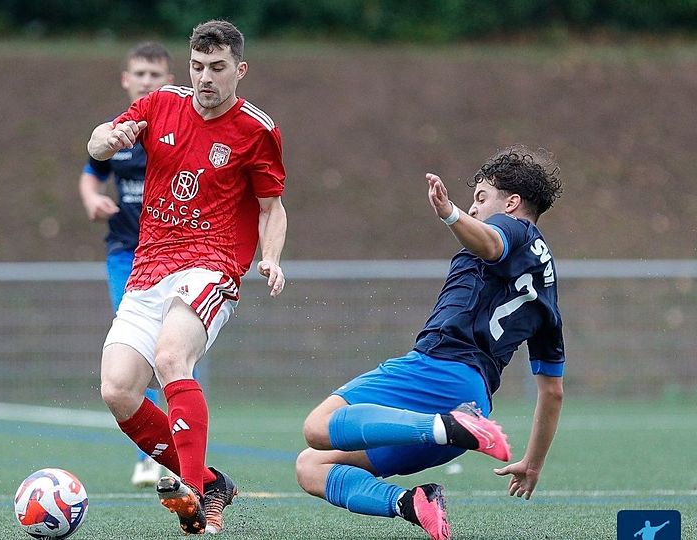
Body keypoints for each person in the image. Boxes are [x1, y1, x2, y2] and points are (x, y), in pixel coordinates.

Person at [295, 146, 565, 540]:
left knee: (317, 427)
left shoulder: (514, 229)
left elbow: (491, 243)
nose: (474, 209)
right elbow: (553, 391)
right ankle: (413, 502)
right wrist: (533, 465)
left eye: (481, 198)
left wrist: (450, 214)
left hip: (438, 370)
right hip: (472, 401)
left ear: (512, 203)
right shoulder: (547, 292)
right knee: (310, 466)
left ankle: (446, 426)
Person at [87, 19, 287, 535]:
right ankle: (210, 481)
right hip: (149, 264)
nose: (205, 78)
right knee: (117, 388)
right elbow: (97, 145)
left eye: (217, 68)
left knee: (172, 356)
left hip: (212, 263)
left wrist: (271, 257)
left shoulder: (257, 129)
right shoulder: (159, 104)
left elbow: (272, 206)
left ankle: (197, 496)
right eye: (198, 66)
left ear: (239, 70)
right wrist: (110, 137)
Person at [79, 41, 175, 488]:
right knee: (138, 346)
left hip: (174, 252)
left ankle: (178, 443)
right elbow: (91, 172)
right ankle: (148, 455)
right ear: (126, 79)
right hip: (125, 254)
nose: (147, 81)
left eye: (155, 75)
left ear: (169, 80)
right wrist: (92, 198)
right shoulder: (116, 133)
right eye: (140, 74)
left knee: (169, 353)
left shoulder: (176, 129)